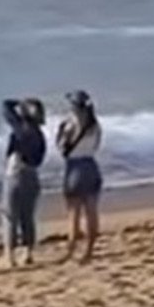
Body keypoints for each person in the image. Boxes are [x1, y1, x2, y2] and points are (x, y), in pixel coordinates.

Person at [56, 89, 103, 263]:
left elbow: (62, 149)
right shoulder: (95, 125)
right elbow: (97, 146)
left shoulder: (68, 125)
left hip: (75, 168)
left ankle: (71, 250)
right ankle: (89, 251)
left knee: (73, 213)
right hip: (91, 165)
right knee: (92, 212)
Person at [1, 98, 46, 268]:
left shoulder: (20, 129)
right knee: (28, 217)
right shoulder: (40, 135)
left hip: (16, 174)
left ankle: (9, 256)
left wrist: (18, 102)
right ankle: (28, 253)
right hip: (32, 175)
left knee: (10, 216)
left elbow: (5, 106)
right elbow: (39, 159)